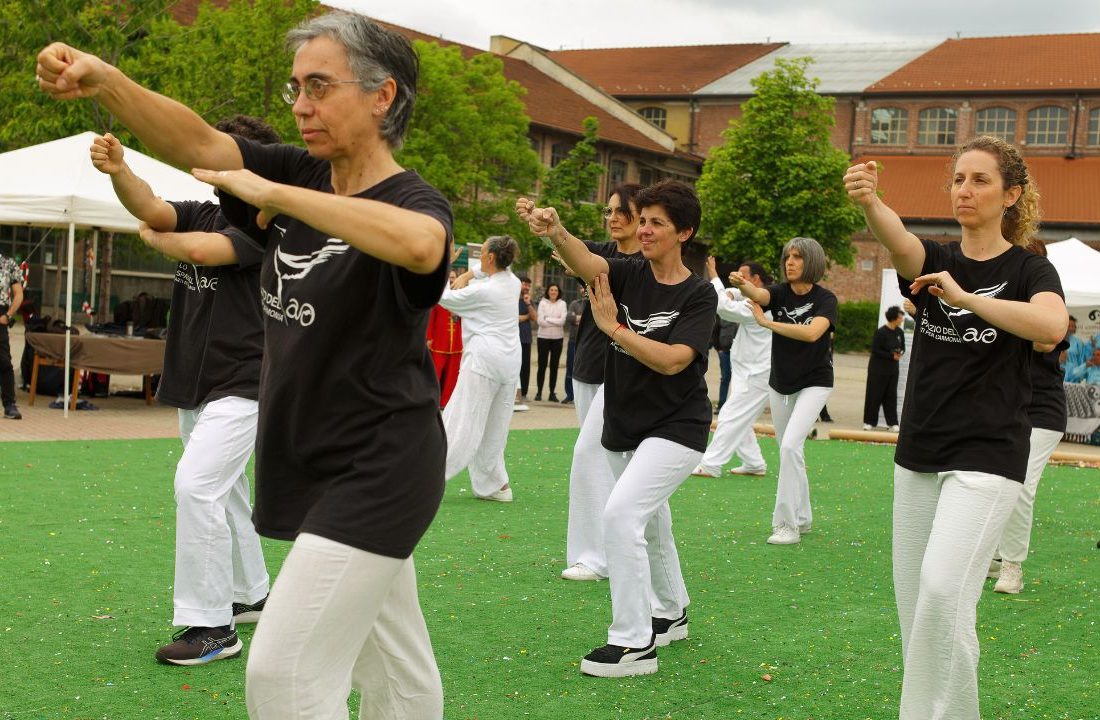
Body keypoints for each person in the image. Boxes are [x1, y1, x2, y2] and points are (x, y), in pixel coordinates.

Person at [39, 11, 453, 716]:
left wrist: (277, 196)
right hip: (310, 458)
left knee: (281, 675)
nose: (300, 106)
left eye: (319, 87)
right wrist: (105, 80)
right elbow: (198, 142)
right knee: (395, 666)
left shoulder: (409, 200)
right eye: (296, 88)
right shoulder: (300, 169)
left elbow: (421, 246)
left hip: (380, 467)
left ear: (382, 96)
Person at [844, 134, 1066, 720]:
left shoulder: (1029, 268)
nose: (965, 190)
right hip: (921, 449)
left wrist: (967, 299)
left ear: (1011, 195)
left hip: (989, 454)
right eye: (959, 179)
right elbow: (898, 240)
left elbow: (1051, 326)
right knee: (917, 604)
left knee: (943, 591)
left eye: (980, 180)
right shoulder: (935, 258)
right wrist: (870, 202)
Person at [89, 120, 277, 665]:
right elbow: (150, 205)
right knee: (227, 490)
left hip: (244, 383)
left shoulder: (269, 227)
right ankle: (250, 594)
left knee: (197, 488)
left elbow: (197, 250)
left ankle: (213, 627)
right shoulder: (203, 210)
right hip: (198, 382)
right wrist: (121, 170)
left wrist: (151, 238)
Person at [520, 180, 717, 677]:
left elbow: (673, 361)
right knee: (650, 522)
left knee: (622, 514)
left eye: (656, 223)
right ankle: (671, 612)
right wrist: (555, 231)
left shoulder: (698, 294)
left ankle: (634, 643)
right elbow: (587, 263)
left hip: (678, 426)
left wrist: (614, 329)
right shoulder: (628, 272)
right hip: (624, 423)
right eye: (642, 220)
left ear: (684, 232)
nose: (644, 230)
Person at [551, 183, 642, 582]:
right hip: (588, 364)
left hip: (623, 368)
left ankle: (595, 557)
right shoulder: (603, 251)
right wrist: (550, 226)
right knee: (613, 459)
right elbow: (572, 249)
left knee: (590, 453)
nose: (613, 218)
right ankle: (623, 543)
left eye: (622, 211)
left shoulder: (645, 263)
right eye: (608, 211)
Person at [729, 237, 837, 545]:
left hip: (815, 382)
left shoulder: (826, 299)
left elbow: (813, 333)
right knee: (789, 450)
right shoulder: (779, 293)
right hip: (780, 383)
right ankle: (803, 517)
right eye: (787, 256)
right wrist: (742, 284)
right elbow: (759, 294)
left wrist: (769, 325)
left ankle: (786, 525)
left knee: (790, 446)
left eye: (797, 257)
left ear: (811, 262)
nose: (790, 262)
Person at [987, 240, 1069, 595]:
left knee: (1020, 484)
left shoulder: (1048, 305)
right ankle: (992, 557)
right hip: (1007, 406)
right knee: (992, 482)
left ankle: (1012, 565)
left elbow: (1044, 341)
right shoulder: (1001, 301)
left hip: (1043, 412)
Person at [439, 235, 522, 502]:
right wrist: (468, 275)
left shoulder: (484, 291)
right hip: (509, 365)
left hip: (484, 363)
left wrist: (445, 264)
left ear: (490, 257)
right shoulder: (513, 282)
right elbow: (487, 271)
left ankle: (427, 476)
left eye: (483, 252)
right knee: (494, 429)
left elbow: (444, 298)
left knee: (461, 422)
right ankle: (495, 485)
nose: (480, 257)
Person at [691, 258, 773, 478]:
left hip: (757, 372)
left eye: (743, 276)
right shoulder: (757, 295)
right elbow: (736, 294)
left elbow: (723, 308)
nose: (738, 279)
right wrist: (731, 291)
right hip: (747, 370)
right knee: (740, 417)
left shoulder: (758, 304)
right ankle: (754, 463)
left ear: (756, 279)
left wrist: (714, 276)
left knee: (730, 414)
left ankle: (711, 464)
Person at [863, 305, 905, 431]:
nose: (902, 319)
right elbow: (875, 350)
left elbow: (903, 347)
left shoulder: (900, 332)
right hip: (877, 370)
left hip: (892, 370)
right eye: (900, 317)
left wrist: (900, 353)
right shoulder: (881, 332)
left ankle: (893, 423)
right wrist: (891, 355)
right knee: (874, 395)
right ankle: (869, 422)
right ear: (893, 318)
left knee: (891, 396)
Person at [427, 266, 463, 408]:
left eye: (453, 277)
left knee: (452, 375)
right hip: (439, 340)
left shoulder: (462, 296)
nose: (451, 280)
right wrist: (429, 337)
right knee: (435, 372)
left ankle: (446, 402)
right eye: (449, 278)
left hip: (456, 343)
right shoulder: (438, 294)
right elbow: (431, 316)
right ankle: (432, 400)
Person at [0, 248, 23, 420]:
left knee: (4, 362)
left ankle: (9, 404)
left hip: (1, 314)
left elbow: (18, 294)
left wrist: (8, 315)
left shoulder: (9, 263)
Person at [534, 282, 566, 401]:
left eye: (555, 290)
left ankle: (552, 393)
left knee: (554, 366)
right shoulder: (542, 303)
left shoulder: (562, 304)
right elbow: (540, 322)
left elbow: (562, 321)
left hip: (558, 339)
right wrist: (555, 320)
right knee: (542, 366)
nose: (553, 292)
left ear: (558, 292)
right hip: (543, 338)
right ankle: (539, 392)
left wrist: (547, 318)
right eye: (551, 290)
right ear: (548, 291)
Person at [561, 293, 585, 404]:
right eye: (582, 287)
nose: (583, 290)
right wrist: (582, 319)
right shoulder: (574, 304)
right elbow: (569, 318)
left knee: (584, 369)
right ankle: (570, 395)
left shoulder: (592, 304)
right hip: (573, 341)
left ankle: (580, 397)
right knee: (570, 367)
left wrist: (578, 318)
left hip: (586, 342)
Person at [517, 275, 535, 404]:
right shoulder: (511, 299)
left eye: (528, 285)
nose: (526, 287)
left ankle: (524, 393)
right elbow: (514, 318)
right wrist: (526, 317)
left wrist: (528, 303)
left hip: (526, 339)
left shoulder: (528, 301)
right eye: (524, 284)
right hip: (513, 338)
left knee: (525, 367)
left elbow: (534, 317)